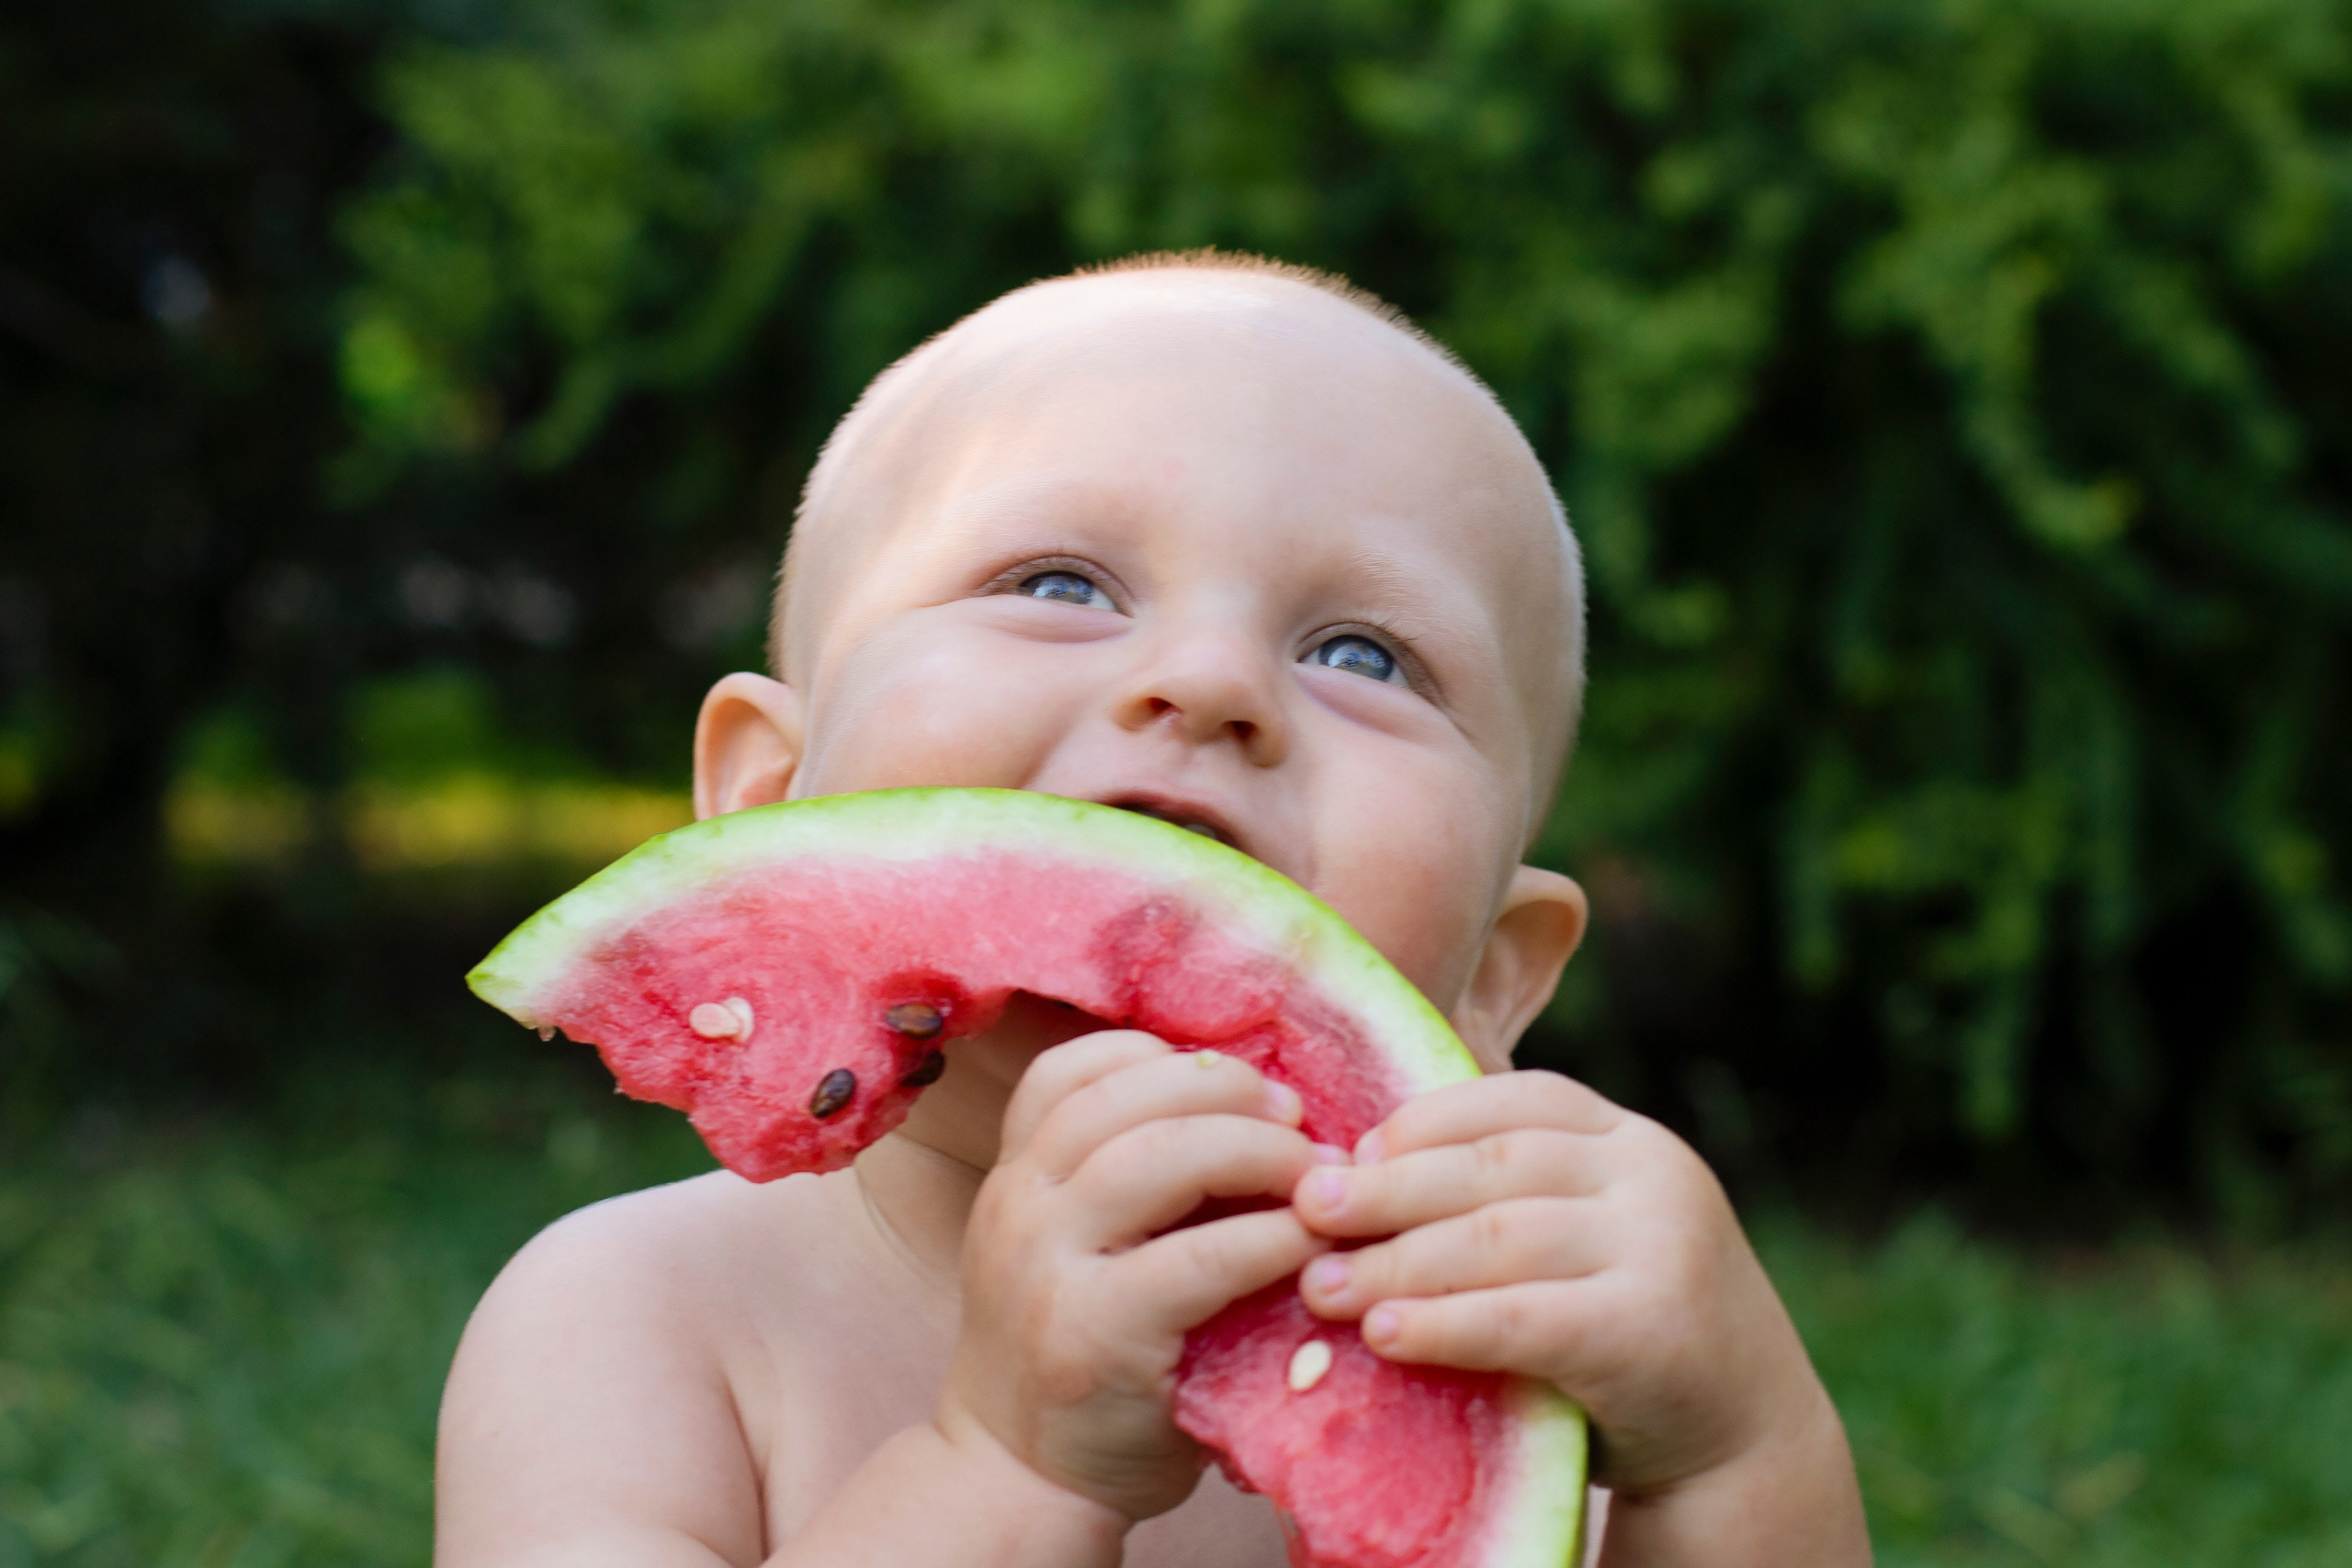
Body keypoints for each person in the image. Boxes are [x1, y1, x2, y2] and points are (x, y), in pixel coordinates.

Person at [434, 252, 1871, 1567]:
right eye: (1059, 581)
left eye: (1364, 655)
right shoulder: (633, 1321)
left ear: (1495, 978)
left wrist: (1737, 1455)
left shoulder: (1494, 1359)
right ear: (766, 802)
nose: (1211, 680)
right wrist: (1004, 1471)